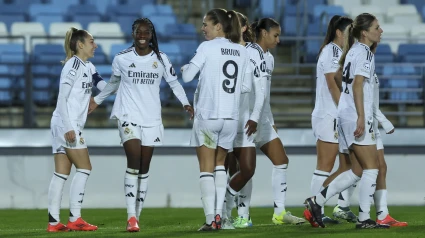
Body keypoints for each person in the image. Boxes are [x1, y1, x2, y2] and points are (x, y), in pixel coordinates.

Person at [88, 18, 194, 232]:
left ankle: (138, 214)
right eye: (139, 32)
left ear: (151, 34)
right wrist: (97, 100)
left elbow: (174, 83)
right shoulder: (122, 58)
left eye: (146, 32)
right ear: (133, 33)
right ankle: (131, 217)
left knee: (144, 168)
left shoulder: (161, 59)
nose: (142, 35)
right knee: (134, 161)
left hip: (152, 118)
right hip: (128, 114)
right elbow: (114, 83)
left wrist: (186, 103)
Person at [304, 13, 390, 229]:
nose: (381, 31)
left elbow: (338, 76)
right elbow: (358, 84)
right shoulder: (364, 53)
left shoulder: (351, 51)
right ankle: (364, 219)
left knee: (357, 170)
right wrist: (361, 115)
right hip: (355, 116)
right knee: (372, 168)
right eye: (377, 28)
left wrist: (348, 105)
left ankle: (317, 200)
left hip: (343, 114)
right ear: (365, 32)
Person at [181, 8, 253, 231]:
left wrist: (187, 67)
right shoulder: (241, 52)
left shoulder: (207, 47)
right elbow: (245, 87)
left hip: (208, 115)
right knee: (221, 166)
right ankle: (221, 216)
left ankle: (210, 218)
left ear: (219, 26)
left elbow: (186, 76)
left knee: (206, 169)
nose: (202, 28)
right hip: (230, 118)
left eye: (206, 24)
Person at [235, 17, 306, 226]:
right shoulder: (247, 53)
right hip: (246, 121)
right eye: (276, 35)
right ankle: (242, 215)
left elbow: (265, 94)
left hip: (263, 120)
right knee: (245, 170)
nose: (278, 40)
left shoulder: (270, 58)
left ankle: (280, 213)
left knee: (281, 160)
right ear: (264, 33)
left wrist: (270, 120)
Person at [47, 27, 101, 232]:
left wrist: (121, 86)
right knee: (85, 168)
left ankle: (53, 223)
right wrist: (69, 127)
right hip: (66, 124)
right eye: (91, 42)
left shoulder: (88, 66)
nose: (95, 45)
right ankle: (75, 218)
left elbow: (103, 85)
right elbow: (62, 97)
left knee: (61, 173)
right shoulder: (73, 65)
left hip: (61, 123)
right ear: (80, 44)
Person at [309, 15, 357, 224]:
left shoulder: (339, 52)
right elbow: (332, 83)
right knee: (325, 165)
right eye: (349, 32)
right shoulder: (331, 51)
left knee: (349, 165)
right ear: (339, 32)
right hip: (330, 114)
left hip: (335, 114)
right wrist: (345, 110)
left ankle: (337, 205)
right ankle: (312, 208)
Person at [222, 12, 259, 230]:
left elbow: (258, 89)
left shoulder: (251, 52)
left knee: (246, 169)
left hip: (245, 118)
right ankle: (224, 213)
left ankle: (242, 213)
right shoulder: (221, 48)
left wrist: (258, 116)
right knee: (229, 169)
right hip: (225, 117)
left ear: (244, 28)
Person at [370, 44, 407, 227]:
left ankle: (383, 214)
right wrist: (384, 120)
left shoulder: (369, 62)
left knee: (380, 168)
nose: (380, 33)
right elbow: (365, 100)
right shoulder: (361, 61)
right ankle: (318, 202)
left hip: (371, 124)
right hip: (362, 124)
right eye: (376, 29)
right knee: (354, 171)